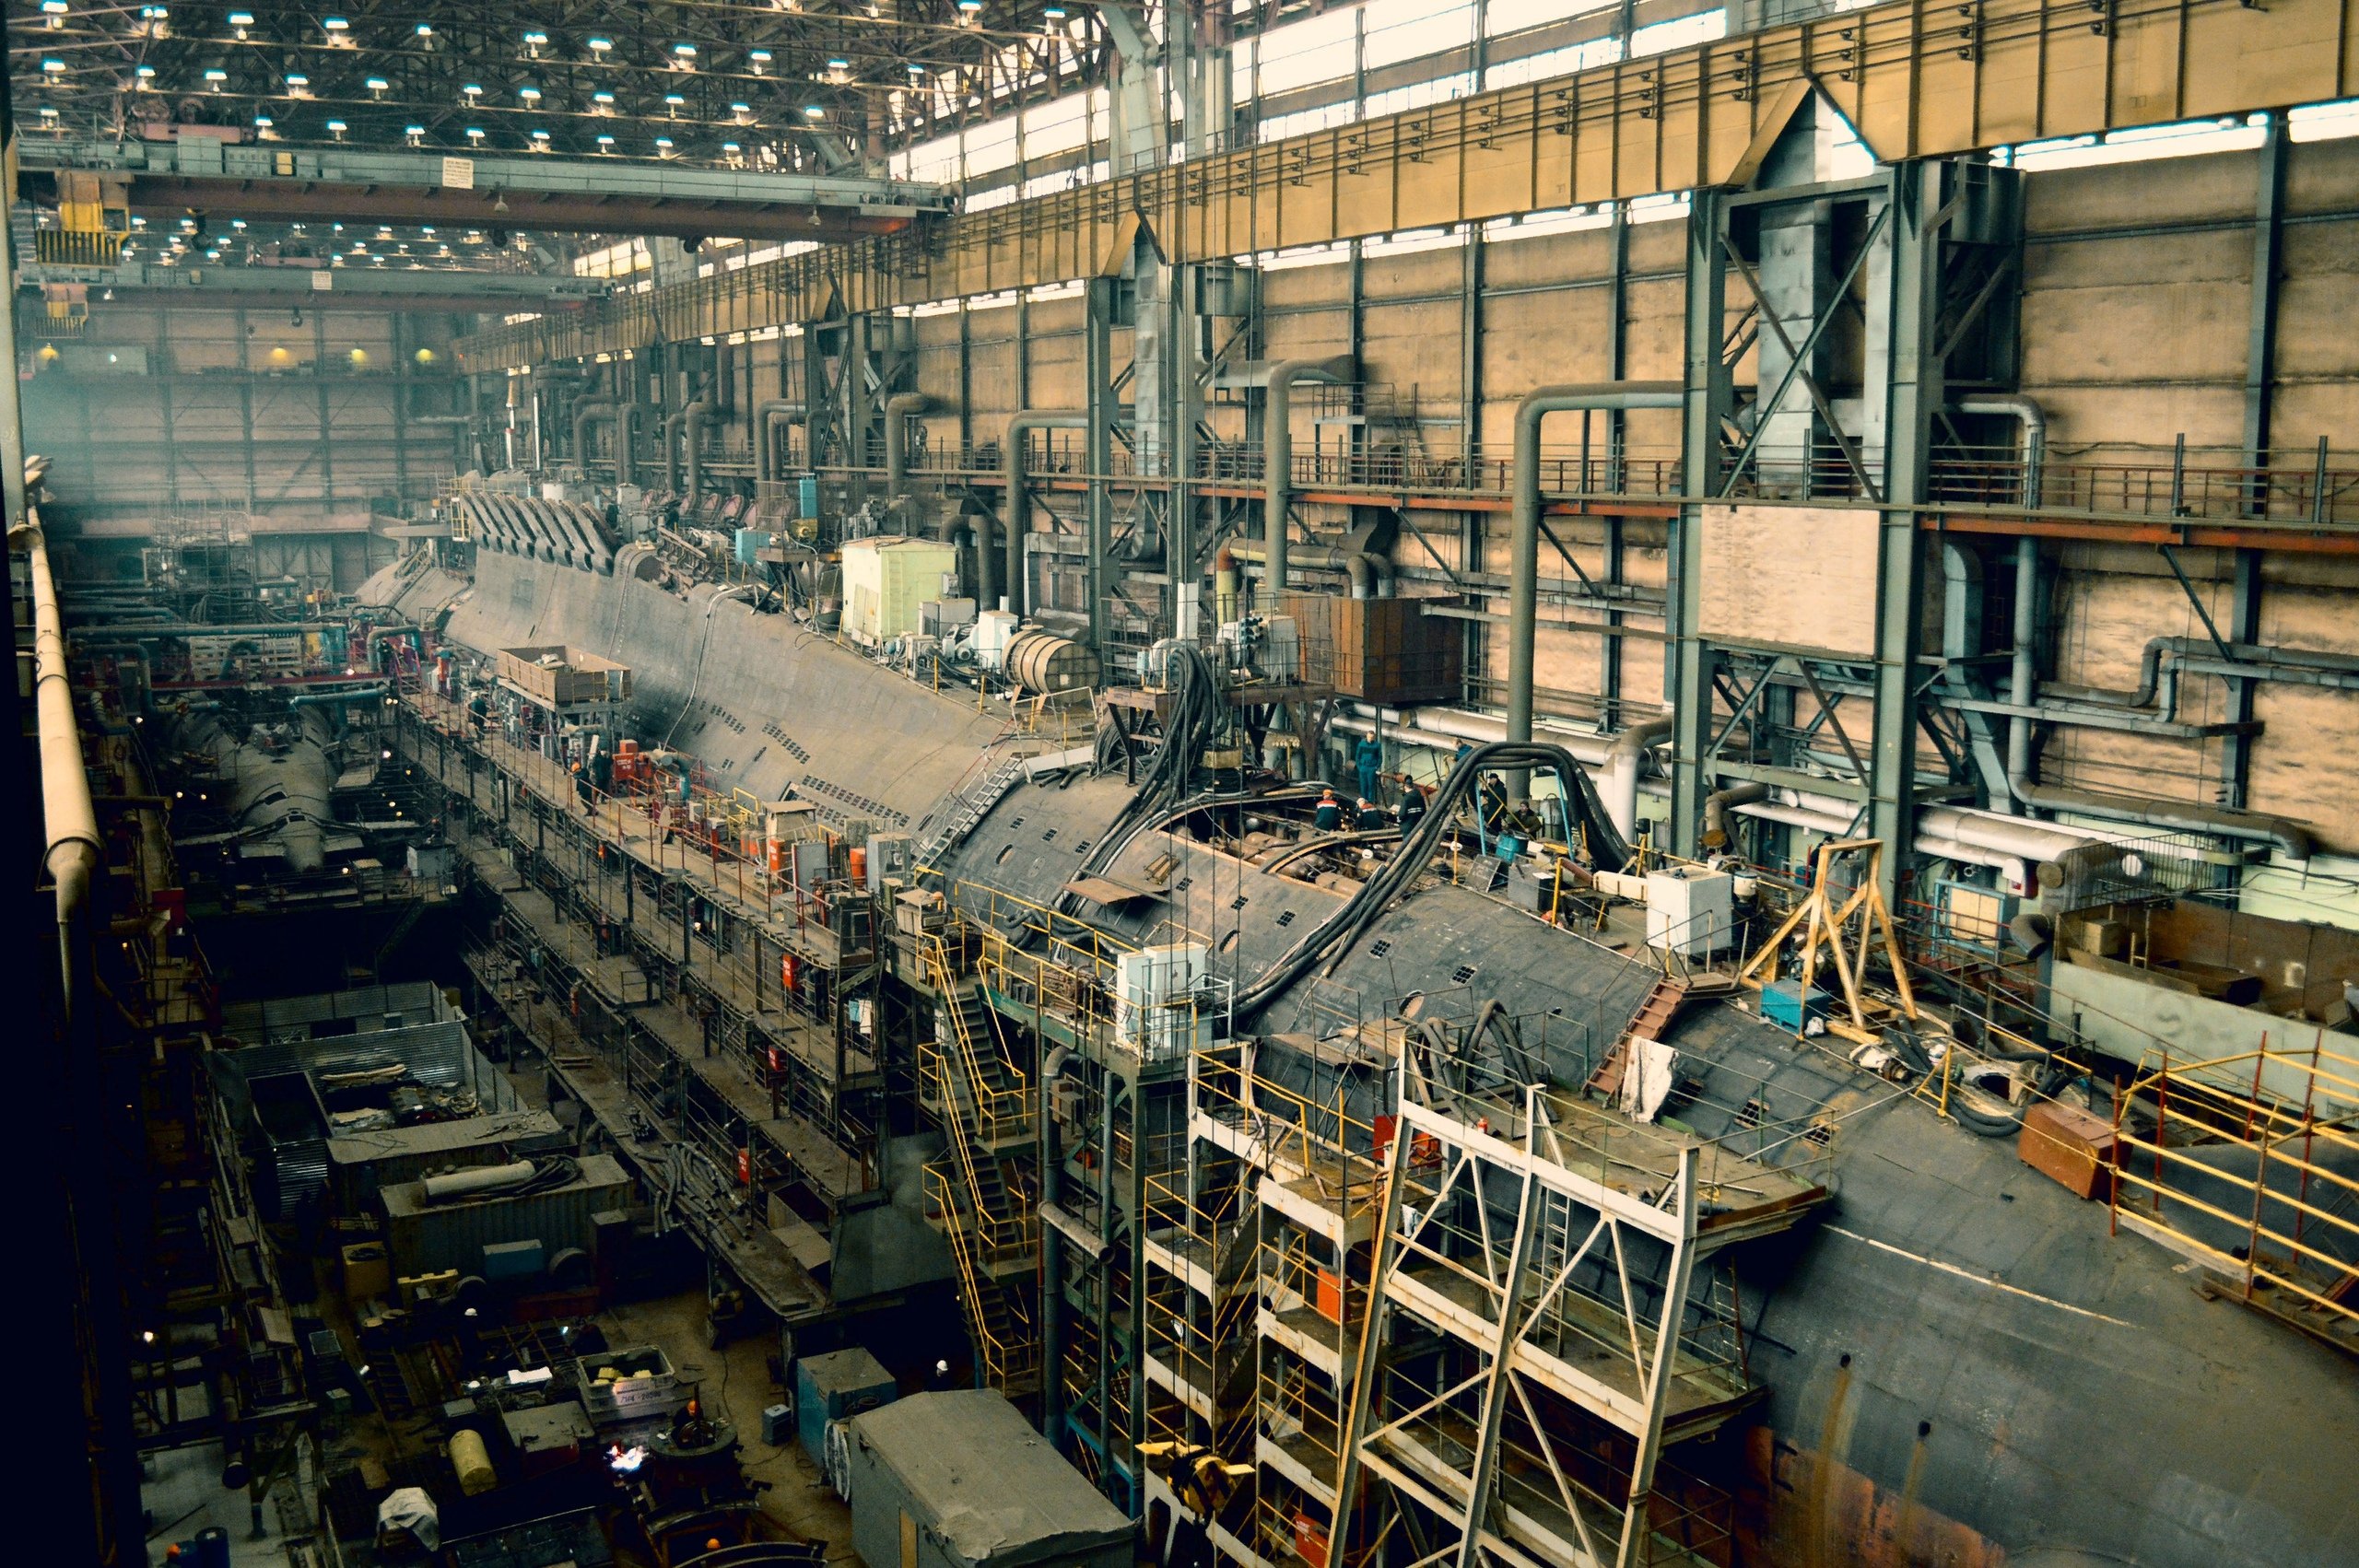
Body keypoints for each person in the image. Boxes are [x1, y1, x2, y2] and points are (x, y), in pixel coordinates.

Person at [1354, 734, 1384, 803]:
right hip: (1363, 767)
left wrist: (1376, 767)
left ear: (1374, 738)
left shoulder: (1377, 745)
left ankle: (1370, 802)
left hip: (1371, 768)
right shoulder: (1361, 744)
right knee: (1363, 785)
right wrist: (1359, 767)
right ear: (1367, 736)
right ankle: (1364, 801)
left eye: (1372, 737)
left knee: (1371, 786)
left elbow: (1380, 757)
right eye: (1369, 737)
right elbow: (1357, 756)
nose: (1370, 738)